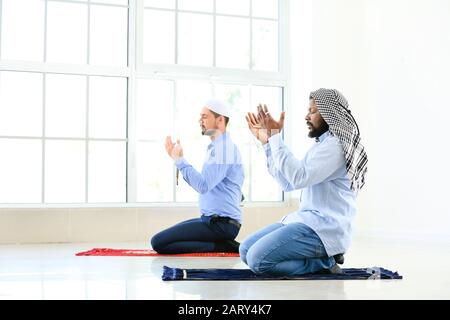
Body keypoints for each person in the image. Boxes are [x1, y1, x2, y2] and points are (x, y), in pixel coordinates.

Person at [240, 88, 368, 275]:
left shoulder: (335, 147)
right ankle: (318, 258)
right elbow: (288, 182)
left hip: (324, 228)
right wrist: (267, 143)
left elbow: (298, 177)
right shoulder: (322, 146)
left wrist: (275, 136)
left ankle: (325, 261)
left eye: (313, 111)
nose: (306, 117)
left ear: (329, 113)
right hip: (306, 221)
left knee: (257, 261)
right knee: (245, 250)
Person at [150, 100, 244, 254]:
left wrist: (179, 160)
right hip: (212, 220)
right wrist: (178, 159)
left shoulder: (224, 149)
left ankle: (223, 246)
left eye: (205, 117)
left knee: (158, 242)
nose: (200, 121)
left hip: (221, 225)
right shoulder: (218, 148)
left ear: (220, 120)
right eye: (200, 117)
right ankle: (221, 242)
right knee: (169, 237)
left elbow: (203, 185)